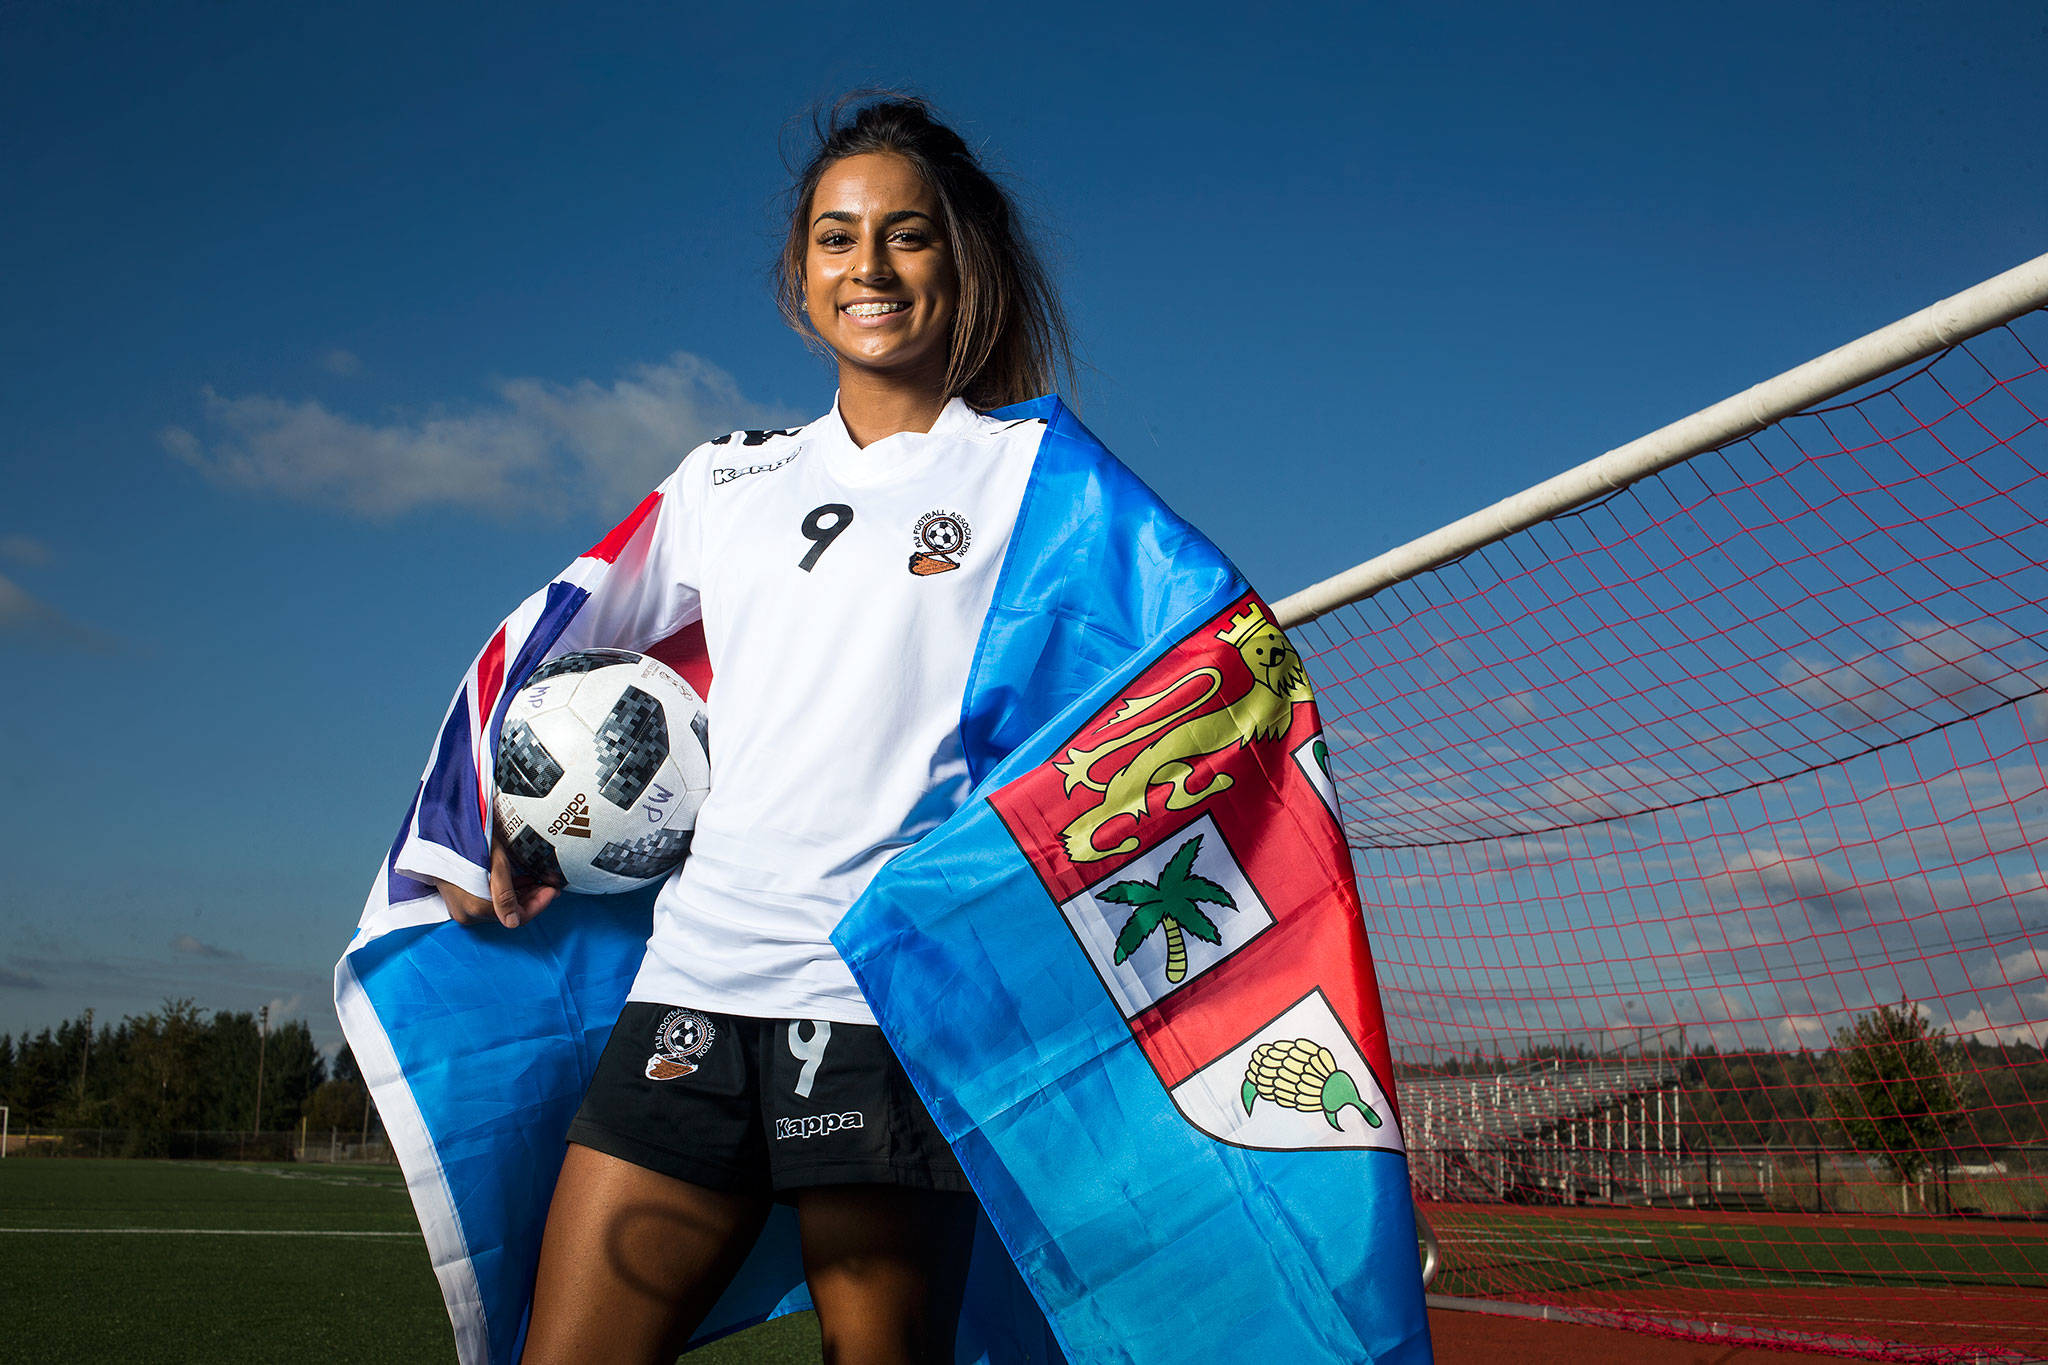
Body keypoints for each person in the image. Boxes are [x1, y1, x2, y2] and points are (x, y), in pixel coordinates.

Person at [428, 95, 1076, 1365]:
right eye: (837, 238)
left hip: (881, 1006)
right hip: (695, 981)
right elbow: (551, 626)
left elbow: (1183, 658)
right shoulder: (723, 480)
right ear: (799, 273)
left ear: (963, 259)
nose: (868, 269)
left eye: (907, 236)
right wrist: (479, 822)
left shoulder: (1035, 478)